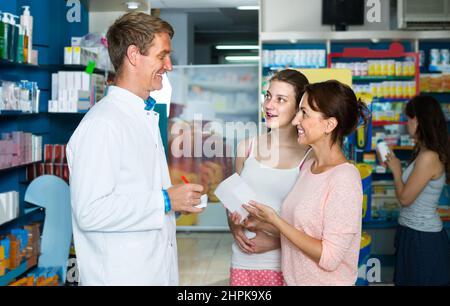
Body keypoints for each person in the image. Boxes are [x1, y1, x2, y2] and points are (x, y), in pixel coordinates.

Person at [66, 12, 204, 286]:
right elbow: (90, 211)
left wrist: (174, 205)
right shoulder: (103, 124)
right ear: (133, 55)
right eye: (161, 56)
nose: (169, 66)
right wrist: (164, 200)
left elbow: (132, 193)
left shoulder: (141, 116)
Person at [243, 80, 368, 285]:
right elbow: (302, 232)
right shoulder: (309, 165)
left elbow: (329, 258)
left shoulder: (345, 179)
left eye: (304, 113)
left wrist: (275, 220)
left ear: (329, 124)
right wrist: (263, 224)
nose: (295, 121)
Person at [228, 69, 312, 286]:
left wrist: (278, 241)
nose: (269, 105)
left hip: (287, 268)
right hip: (243, 263)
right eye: (268, 96)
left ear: (298, 108)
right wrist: (234, 227)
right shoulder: (247, 147)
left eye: (280, 99)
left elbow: (314, 227)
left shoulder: (310, 158)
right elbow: (232, 200)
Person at [382, 96, 450, 286]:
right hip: (413, 233)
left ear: (418, 120)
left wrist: (396, 170)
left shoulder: (428, 156)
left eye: (408, 119)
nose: (406, 124)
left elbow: (405, 198)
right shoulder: (423, 151)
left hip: (422, 238)